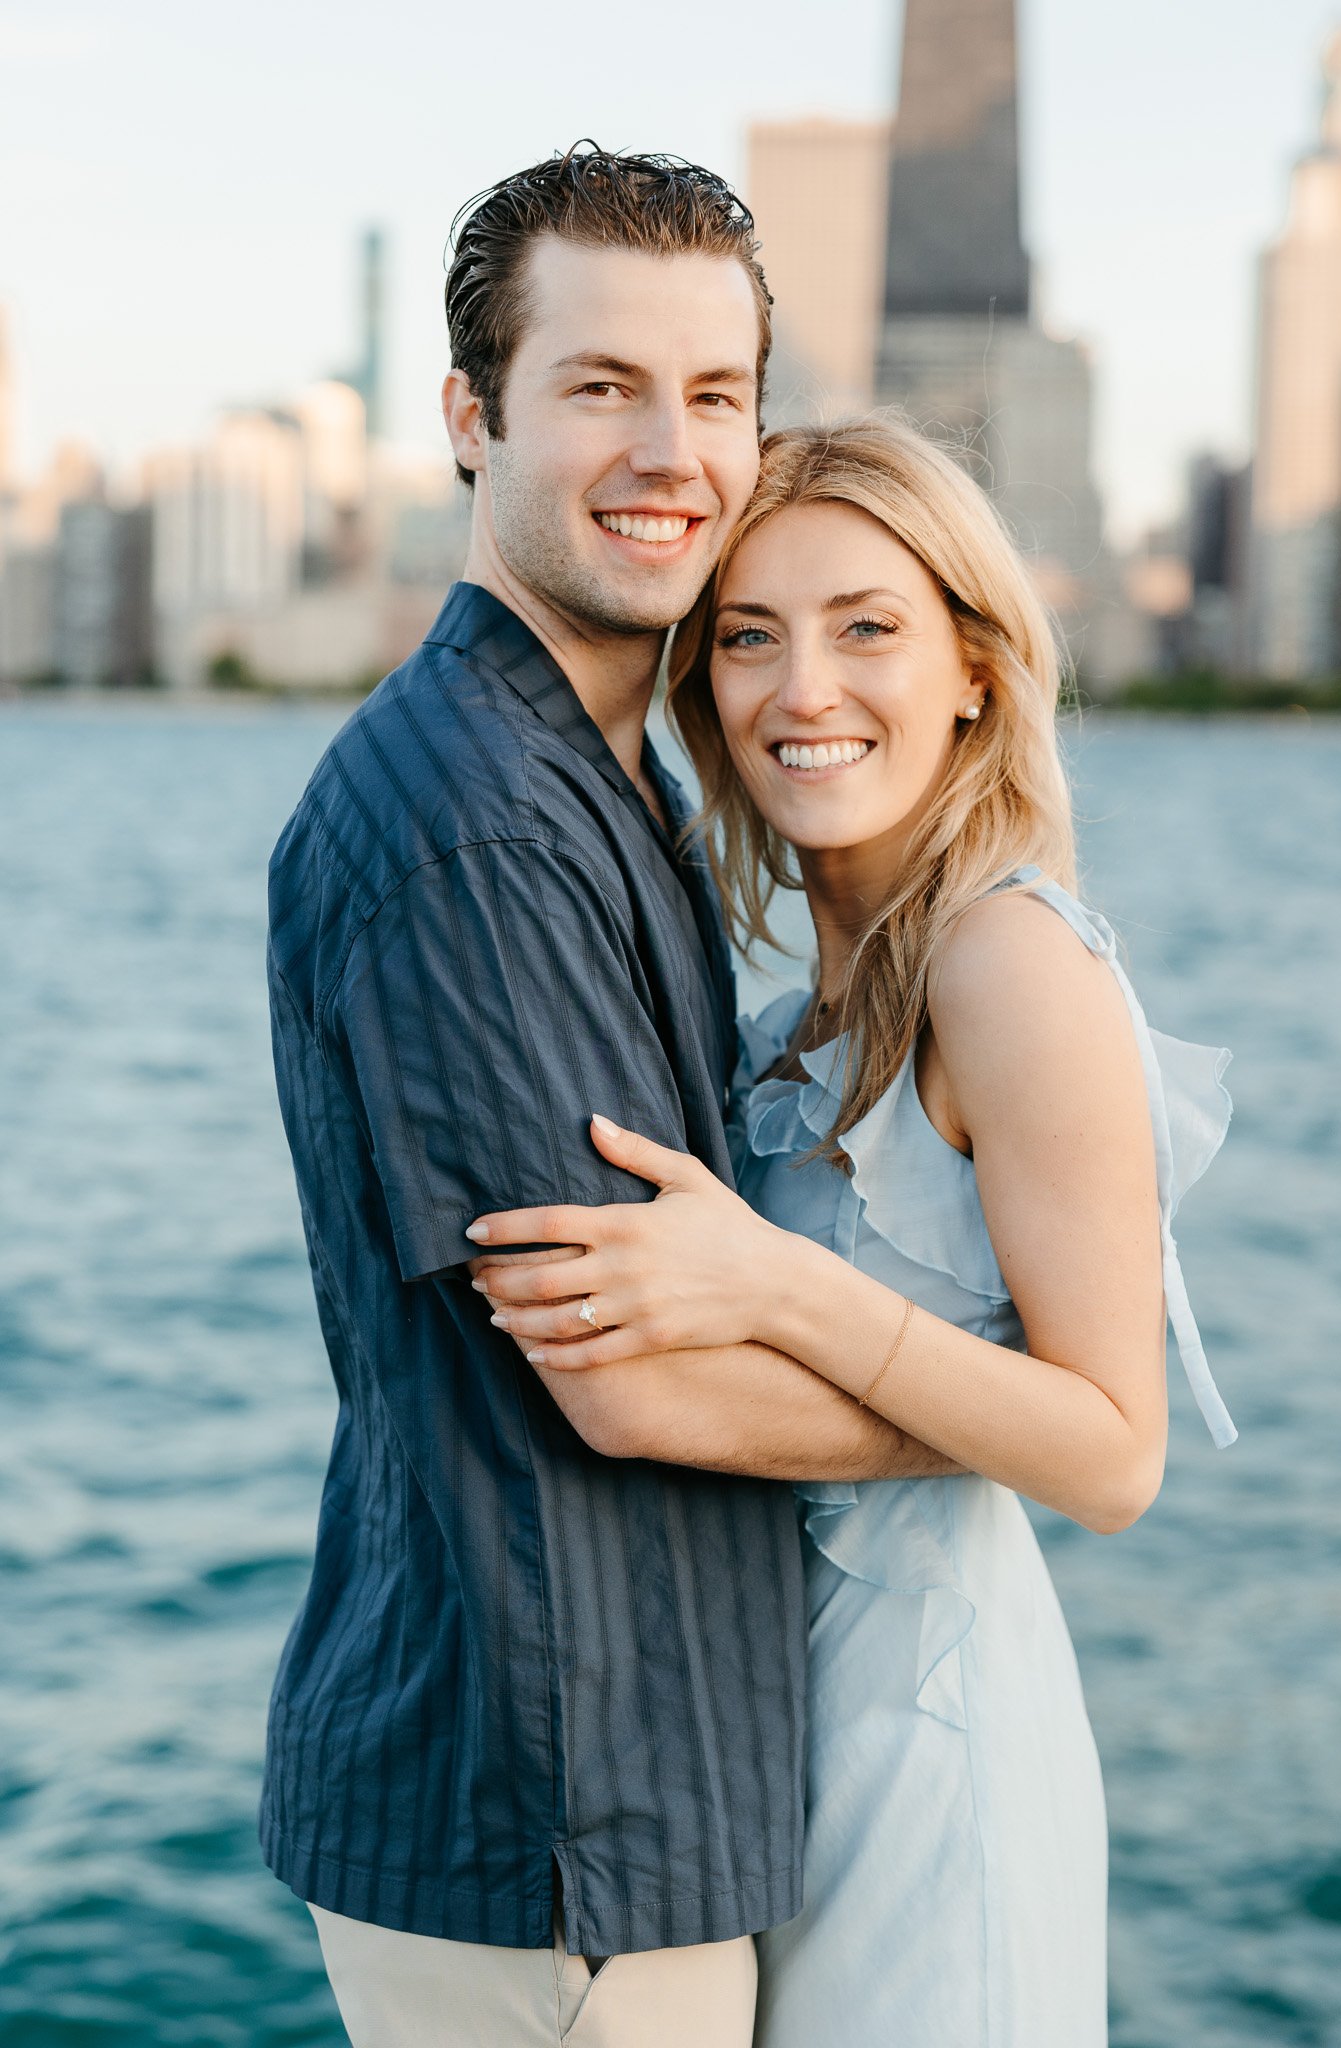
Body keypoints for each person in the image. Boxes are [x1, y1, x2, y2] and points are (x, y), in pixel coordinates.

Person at [263, 155, 959, 2048]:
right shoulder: (478, 825)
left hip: (612, 1814)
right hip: (562, 1836)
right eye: (598, 388)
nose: (672, 451)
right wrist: (1013, 1427)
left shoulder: (603, 774)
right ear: (471, 419)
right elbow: (631, 1376)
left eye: (715, 393)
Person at [469, 419, 1238, 2046]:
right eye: (748, 635)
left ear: (971, 664)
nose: (801, 689)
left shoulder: (1006, 963)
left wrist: (773, 1283)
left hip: (929, 1749)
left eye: (865, 626)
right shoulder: (793, 1011)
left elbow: (1112, 1456)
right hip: (767, 1749)